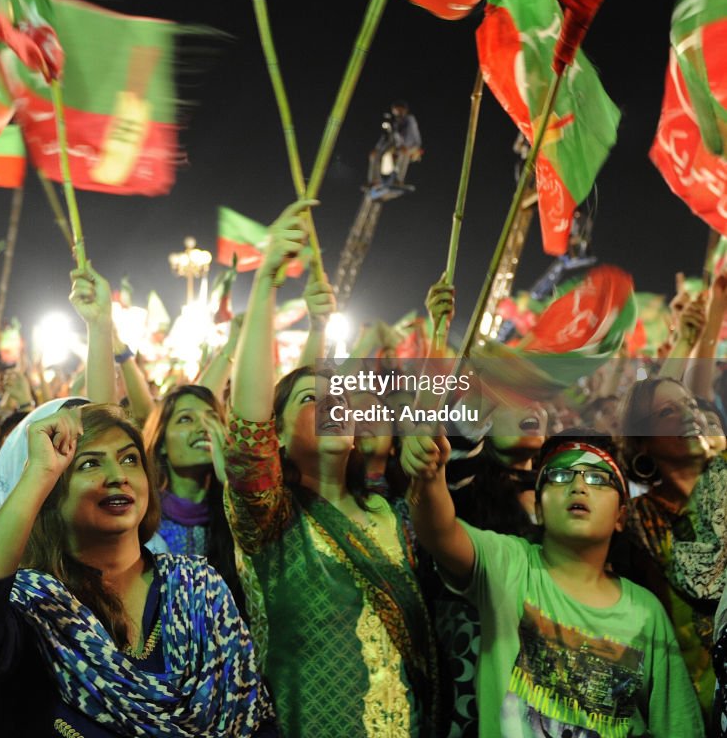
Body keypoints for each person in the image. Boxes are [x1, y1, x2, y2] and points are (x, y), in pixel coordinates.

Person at [0, 398, 276, 737]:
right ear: (52, 494)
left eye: (130, 459)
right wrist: (38, 474)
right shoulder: (35, 609)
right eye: (90, 463)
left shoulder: (199, 588)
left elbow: (255, 723)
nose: (117, 475)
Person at [224, 199, 439, 738]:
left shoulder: (392, 516)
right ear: (274, 433)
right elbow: (246, 430)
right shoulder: (271, 522)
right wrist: (267, 283)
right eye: (308, 401)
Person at [401, 426, 701, 737]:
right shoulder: (509, 565)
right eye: (559, 476)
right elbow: (440, 532)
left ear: (621, 516)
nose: (578, 486)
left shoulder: (646, 611)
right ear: (539, 509)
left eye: (598, 478)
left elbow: (678, 726)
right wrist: (429, 476)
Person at [618, 376, 722, 724]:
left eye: (691, 405)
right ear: (643, 442)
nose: (689, 415)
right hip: (696, 704)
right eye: (668, 412)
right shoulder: (634, 521)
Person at [142, 384, 241, 604]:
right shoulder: (143, 515)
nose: (203, 427)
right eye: (186, 419)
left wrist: (232, 481)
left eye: (212, 418)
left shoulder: (237, 514)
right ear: (161, 442)